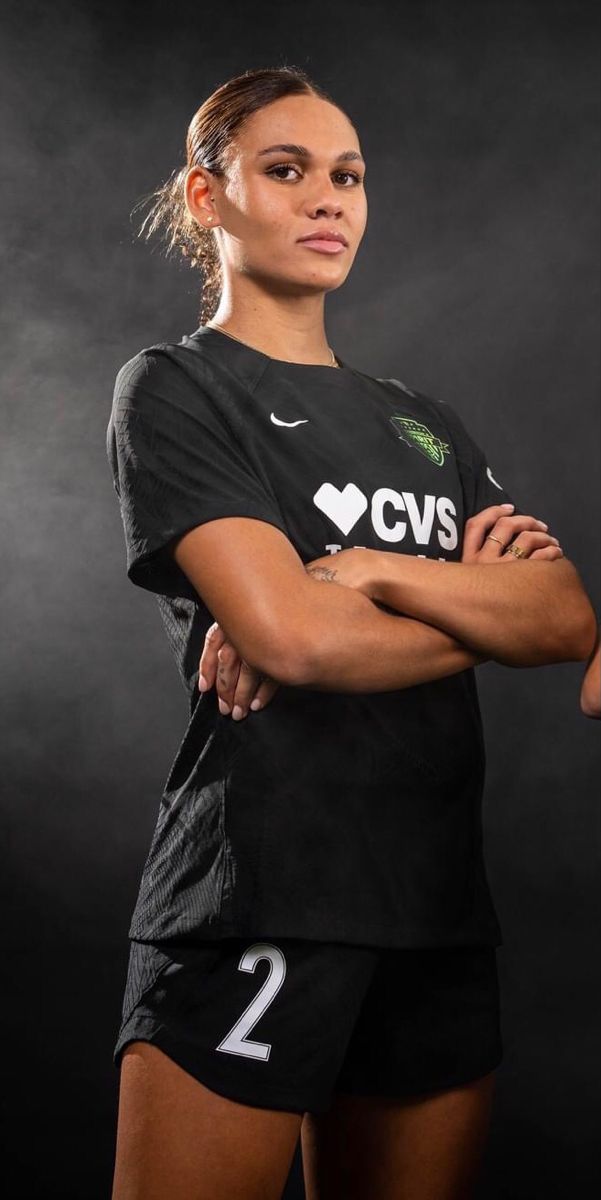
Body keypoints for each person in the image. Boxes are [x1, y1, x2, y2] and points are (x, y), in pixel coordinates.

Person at [106, 66, 597, 1200]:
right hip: (259, 894)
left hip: (434, 908)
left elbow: (565, 616)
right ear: (205, 196)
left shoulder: (424, 423)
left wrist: (365, 570)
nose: (328, 198)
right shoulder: (179, 387)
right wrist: (472, 609)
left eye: (347, 176)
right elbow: (293, 644)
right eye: (285, 171)